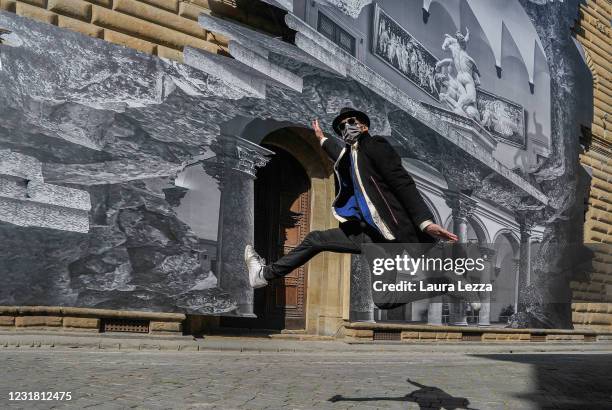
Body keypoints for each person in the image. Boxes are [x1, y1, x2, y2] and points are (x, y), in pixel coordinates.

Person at [244, 107, 458, 307]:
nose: (346, 127)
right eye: (342, 126)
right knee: (316, 239)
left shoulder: (376, 146)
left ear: (364, 126)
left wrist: (425, 222)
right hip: (367, 234)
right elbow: (339, 154)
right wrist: (322, 139)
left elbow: (402, 182)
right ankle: (262, 275)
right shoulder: (350, 155)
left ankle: (446, 283)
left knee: (384, 299)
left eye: (351, 122)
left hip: (391, 234)